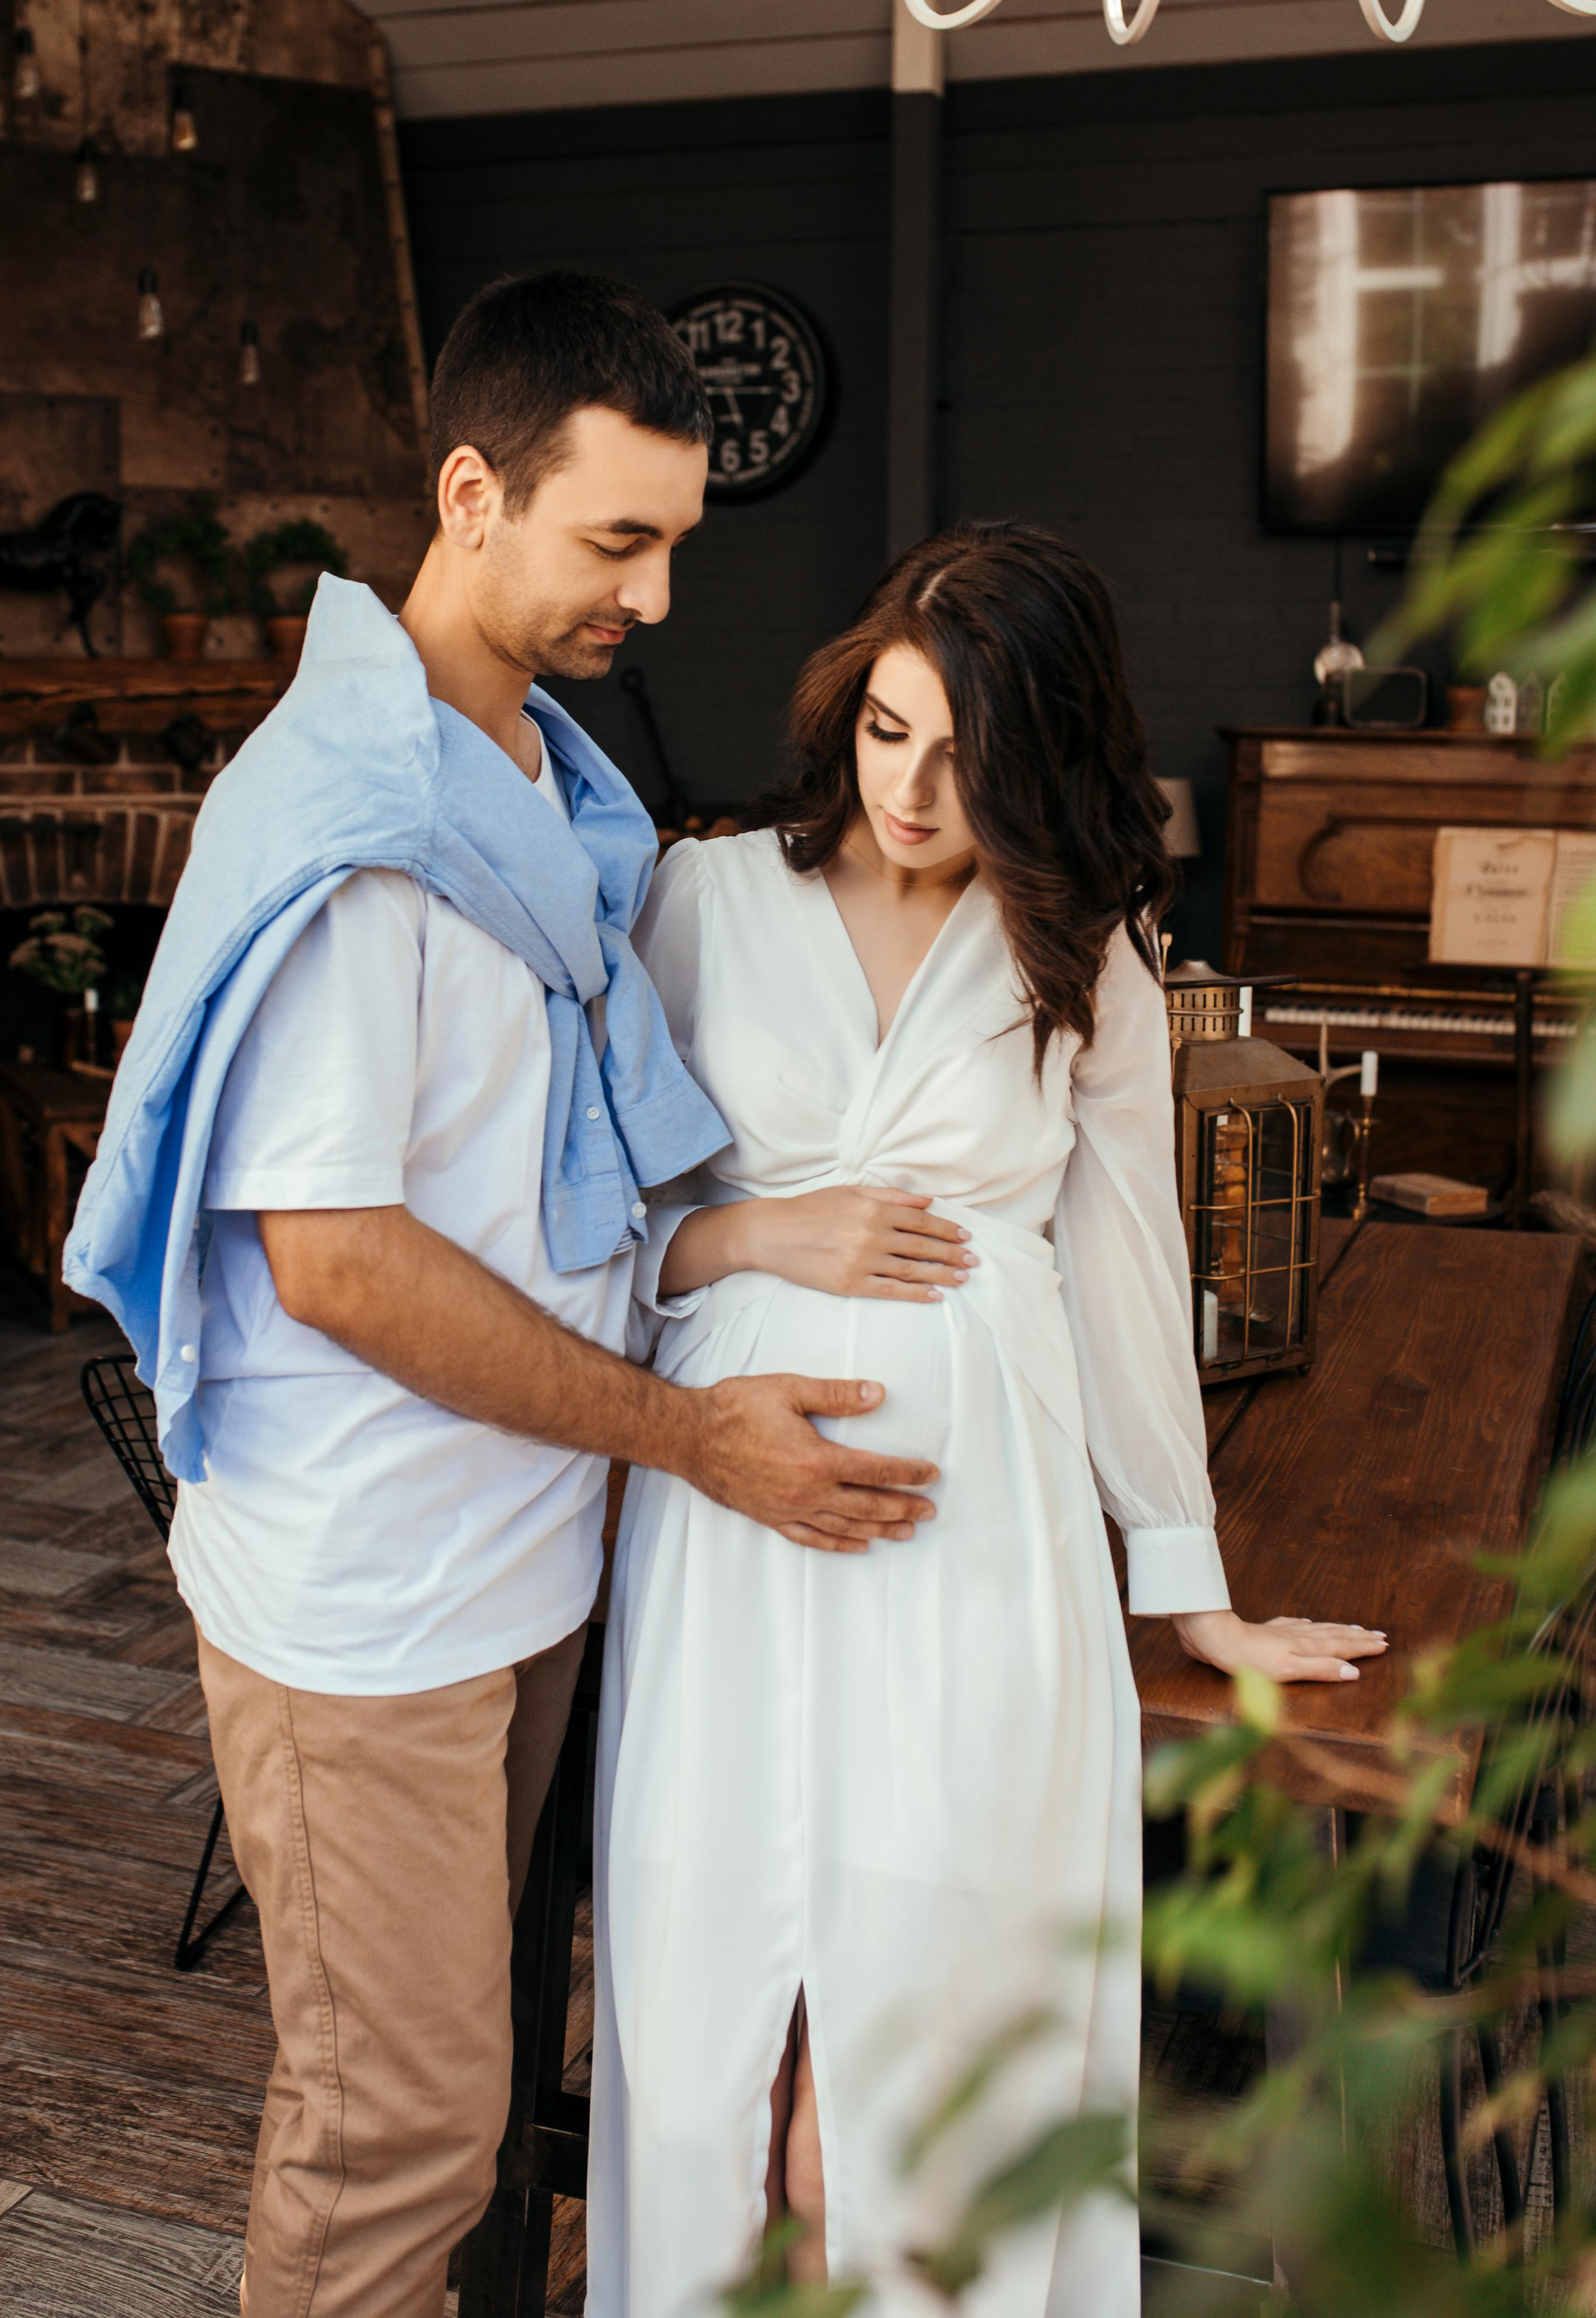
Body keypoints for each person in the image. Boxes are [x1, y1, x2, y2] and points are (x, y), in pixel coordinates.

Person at [64, 271, 943, 2318]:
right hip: (370, 1597)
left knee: (463, 2120)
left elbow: (542, 1196)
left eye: (674, 545)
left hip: (515, 1554)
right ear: (472, 496)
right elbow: (340, 1263)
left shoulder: (534, 779)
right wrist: (689, 1437)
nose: (656, 596)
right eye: (616, 540)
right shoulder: (360, 838)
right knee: (394, 2142)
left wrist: (746, 1250)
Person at [587, 522, 1388, 2316]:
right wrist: (757, 1233)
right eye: (888, 732)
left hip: (976, 1549)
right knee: (724, 2050)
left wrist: (1189, 1585)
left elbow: (1126, 1269)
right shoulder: (704, 900)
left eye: (965, 756)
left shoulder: (1082, 955)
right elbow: (595, 1223)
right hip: (730, 1540)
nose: (912, 790)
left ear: (1043, 759)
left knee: (904, 2079)